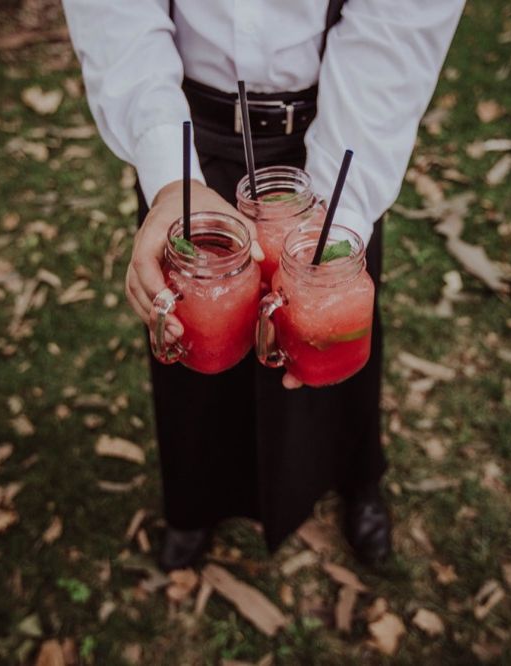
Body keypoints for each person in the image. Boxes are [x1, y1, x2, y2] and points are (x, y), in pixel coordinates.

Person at [62, 0, 465, 571]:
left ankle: (357, 479)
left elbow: (397, 26)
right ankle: (193, 502)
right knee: (195, 341)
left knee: (331, 332)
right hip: (186, 139)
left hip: (341, 126)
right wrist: (166, 170)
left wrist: (331, 224)